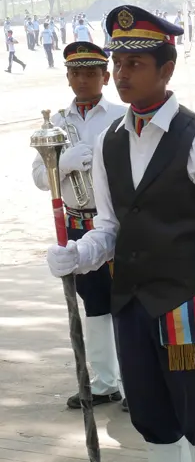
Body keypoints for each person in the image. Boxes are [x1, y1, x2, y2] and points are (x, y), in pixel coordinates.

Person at [45, 5, 195, 462]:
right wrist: (80, 254)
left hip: (187, 308)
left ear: (167, 66)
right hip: (132, 302)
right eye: (119, 61)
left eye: (135, 62)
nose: (123, 73)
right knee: (153, 419)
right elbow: (110, 224)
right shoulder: (109, 140)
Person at [32, 42, 127, 411]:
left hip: (116, 222)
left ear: (105, 76)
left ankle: (135, 384)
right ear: (68, 77)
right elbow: (41, 178)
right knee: (94, 304)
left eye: (91, 73)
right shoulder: (56, 123)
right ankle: (104, 383)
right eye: (76, 73)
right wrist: (64, 163)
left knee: (126, 302)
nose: (83, 80)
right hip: (76, 222)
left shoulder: (121, 115)